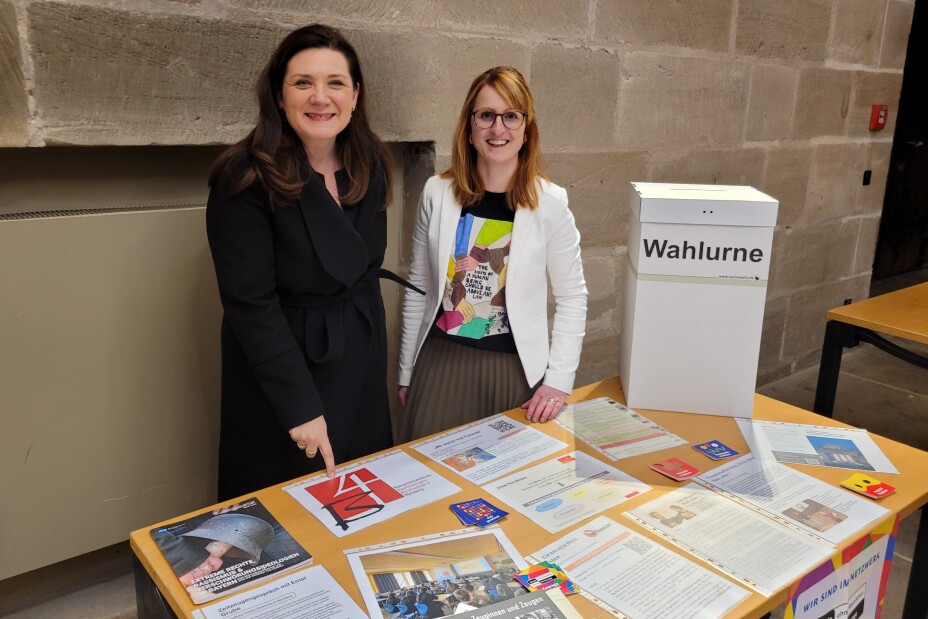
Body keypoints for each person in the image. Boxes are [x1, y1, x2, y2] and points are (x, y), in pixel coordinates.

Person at [207, 24, 397, 501]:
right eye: (303, 82)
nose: (320, 97)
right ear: (279, 94)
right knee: (288, 507)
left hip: (359, 356)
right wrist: (300, 407)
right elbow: (251, 305)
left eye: (335, 83)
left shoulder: (369, 162)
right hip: (285, 372)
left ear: (355, 95)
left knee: (361, 497)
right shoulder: (244, 177)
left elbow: (365, 274)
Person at [397, 66, 587, 440]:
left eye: (511, 116)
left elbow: (572, 297)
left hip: (514, 372)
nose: (498, 129)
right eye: (486, 115)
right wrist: (406, 370)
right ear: (469, 129)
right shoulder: (437, 193)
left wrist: (558, 381)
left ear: (526, 131)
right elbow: (418, 287)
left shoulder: (550, 203)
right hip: (440, 365)